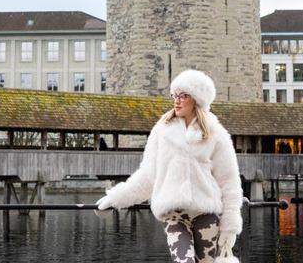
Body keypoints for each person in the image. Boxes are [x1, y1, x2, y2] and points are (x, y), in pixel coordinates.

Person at [95, 70, 243, 263]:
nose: (177, 101)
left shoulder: (216, 133)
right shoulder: (162, 130)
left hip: (207, 214)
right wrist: (114, 199)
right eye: (175, 95)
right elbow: (148, 176)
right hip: (175, 215)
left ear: (197, 99)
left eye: (183, 95)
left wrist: (230, 226)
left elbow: (229, 182)